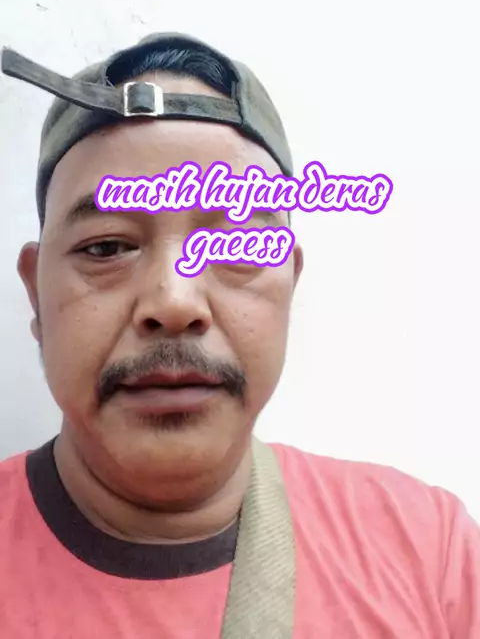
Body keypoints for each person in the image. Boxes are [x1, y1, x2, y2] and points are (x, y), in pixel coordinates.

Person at [0, 33, 479, 639]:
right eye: (107, 247)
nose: (174, 303)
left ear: (290, 286)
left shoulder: (430, 553)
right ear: (36, 294)